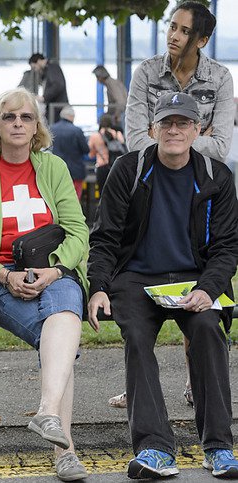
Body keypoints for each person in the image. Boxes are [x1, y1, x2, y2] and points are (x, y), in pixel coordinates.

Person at [88, 92, 238, 480]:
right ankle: (154, 448)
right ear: (152, 128)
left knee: (207, 329)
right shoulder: (128, 170)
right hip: (136, 278)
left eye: (183, 123)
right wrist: (99, 286)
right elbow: (104, 237)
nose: (174, 130)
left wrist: (209, 289)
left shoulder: (216, 175)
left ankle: (219, 447)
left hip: (195, 277)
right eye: (166, 123)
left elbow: (226, 247)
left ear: (198, 129)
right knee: (136, 336)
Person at [0, 87, 91, 482]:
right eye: (8, 117)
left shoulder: (53, 168)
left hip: (51, 268)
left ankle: (47, 414)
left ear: (36, 127)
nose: (17, 123)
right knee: (62, 337)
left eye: (26, 117)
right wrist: (4, 275)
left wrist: (57, 269)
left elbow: (78, 230)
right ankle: (66, 454)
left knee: (62, 319)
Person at [125, 1, 234, 161]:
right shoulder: (146, 72)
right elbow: (135, 142)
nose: (174, 36)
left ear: (202, 41)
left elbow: (220, 148)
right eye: (173, 27)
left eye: (185, 31)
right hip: (153, 177)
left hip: (201, 179)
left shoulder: (220, 78)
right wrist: (199, 137)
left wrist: (159, 137)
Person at [50, 105, 90, 198]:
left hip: (56, 170)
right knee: (74, 199)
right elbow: (86, 149)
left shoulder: (52, 129)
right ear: (72, 117)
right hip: (75, 171)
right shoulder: (77, 131)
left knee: (58, 198)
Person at [19, 53, 68, 124]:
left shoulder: (52, 68)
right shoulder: (48, 70)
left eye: (35, 67)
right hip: (54, 107)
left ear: (38, 61)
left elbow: (58, 85)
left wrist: (44, 97)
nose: (35, 70)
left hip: (57, 107)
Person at [88, 113, 126, 191]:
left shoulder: (95, 136)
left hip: (101, 167)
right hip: (116, 167)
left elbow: (90, 155)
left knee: (102, 193)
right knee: (115, 192)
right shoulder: (117, 133)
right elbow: (124, 149)